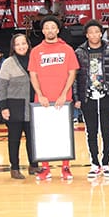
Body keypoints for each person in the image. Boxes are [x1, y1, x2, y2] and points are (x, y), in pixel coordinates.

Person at [29, 16, 80, 181]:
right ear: (43, 31)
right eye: (47, 27)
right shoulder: (36, 51)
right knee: (44, 134)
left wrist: (64, 94)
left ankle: (65, 167)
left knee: (64, 133)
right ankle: (45, 168)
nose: (50, 30)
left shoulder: (67, 49)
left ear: (58, 30)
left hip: (63, 100)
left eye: (53, 27)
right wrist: (40, 94)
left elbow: (72, 73)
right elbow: (33, 75)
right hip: (42, 101)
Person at [75, 20, 109, 179]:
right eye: (90, 32)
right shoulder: (79, 52)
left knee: (107, 130)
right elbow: (75, 77)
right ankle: (94, 162)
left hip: (107, 96)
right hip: (88, 97)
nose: (94, 35)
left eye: (96, 32)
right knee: (91, 131)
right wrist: (77, 97)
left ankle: (106, 161)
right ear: (86, 35)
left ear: (101, 33)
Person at [0, 34, 38, 179]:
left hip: (32, 105)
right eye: (18, 44)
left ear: (28, 44)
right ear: (13, 47)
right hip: (14, 106)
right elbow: (2, 87)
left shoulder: (35, 60)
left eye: (24, 43)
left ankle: (34, 165)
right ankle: (14, 168)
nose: (21, 46)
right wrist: (3, 107)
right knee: (14, 139)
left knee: (32, 138)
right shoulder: (8, 63)